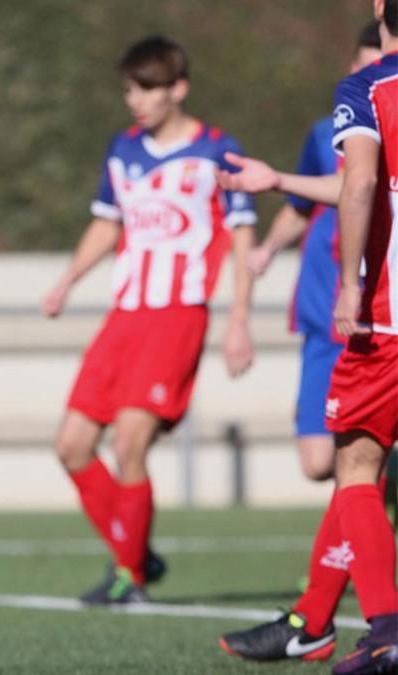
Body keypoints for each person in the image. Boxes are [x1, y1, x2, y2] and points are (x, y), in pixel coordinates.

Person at [42, 35, 257, 605]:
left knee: (131, 442)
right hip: (124, 317)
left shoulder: (218, 151)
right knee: (72, 446)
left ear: (178, 89)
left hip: (177, 317)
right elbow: (107, 224)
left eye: (147, 89)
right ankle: (137, 552)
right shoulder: (123, 150)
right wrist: (68, 280)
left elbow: (241, 237)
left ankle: (129, 576)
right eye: (130, 90)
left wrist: (238, 319)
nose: (135, 100)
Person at [219, 4, 398, 673]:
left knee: (354, 463)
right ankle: (311, 620)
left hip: (385, 319)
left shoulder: (370, 87)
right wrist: (282, 181)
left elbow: (360, 183)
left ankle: (385, 629)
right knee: (359, 466)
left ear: (381, 9)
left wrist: (351, 283)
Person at [246, 23, 383, 484]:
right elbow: (305, 207)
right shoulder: (330, 132)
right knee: (318, 462)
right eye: (367, 65)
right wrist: (266, 247)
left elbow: (357, 186)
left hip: (378, 310)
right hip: (326, 315)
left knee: (358, 459)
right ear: (354, 69)